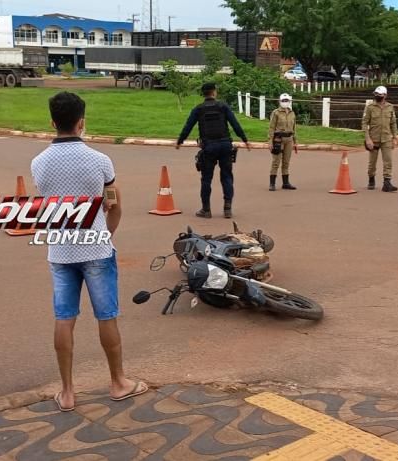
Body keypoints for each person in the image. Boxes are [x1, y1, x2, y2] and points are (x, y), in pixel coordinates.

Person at [31, 92, 148, 412]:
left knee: (64, 318)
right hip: (96, 248)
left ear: (52, 122)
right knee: (106, 316)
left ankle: (68, 392)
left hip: (60, 251)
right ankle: (118, 382)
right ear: (81, 122)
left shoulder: (38, 163)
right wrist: (105, 234)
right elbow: (114, 203)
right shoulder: (100, 161)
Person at [177, 82, 252, 219]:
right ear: (214, 92)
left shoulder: (198, 109)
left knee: (206, 179)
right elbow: (235, 124)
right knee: (227, 177)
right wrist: (245, 140)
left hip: (209, 147)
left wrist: (180, 141)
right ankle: (227, 208)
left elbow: (188, 126)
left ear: (204, 94)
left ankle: (206, 210)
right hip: (225, 145)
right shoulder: (223, 107)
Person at [362, 86, 398, 192]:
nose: (377, 96)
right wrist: (367, 139)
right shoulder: (370, 107)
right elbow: (364, 123)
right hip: (374, 139)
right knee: (372, 163)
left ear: (385, 95)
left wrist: (395, 137)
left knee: (388, 161)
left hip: (386, 138)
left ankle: (387, 183)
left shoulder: (390, 107)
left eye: (380, 94)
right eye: (376, 94)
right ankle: (371, 179)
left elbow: (393, 123)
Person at [268, 93, 298, 191]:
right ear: (280, 101)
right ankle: (272, 183)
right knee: (276, 161)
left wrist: (295, 141)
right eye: (283, 100)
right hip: (278, 139)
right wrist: (270, 141)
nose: (285, 102)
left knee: (286, 162)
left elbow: (294, 128)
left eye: (286, 100)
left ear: (289, 101)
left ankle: (286, 183)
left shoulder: (292, 113)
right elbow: (271, 127)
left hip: (289, 140)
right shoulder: (276, 113)